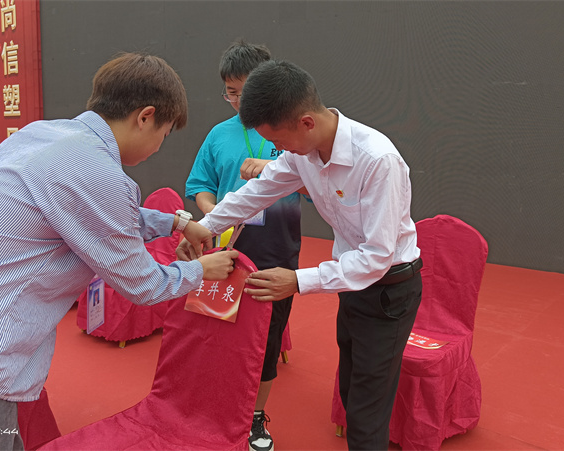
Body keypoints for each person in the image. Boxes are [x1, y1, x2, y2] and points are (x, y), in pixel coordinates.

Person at [0, 52, 237, 451]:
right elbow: (143, 283)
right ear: (145, 116)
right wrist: (202, 270)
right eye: (165, 133)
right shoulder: (95, 169)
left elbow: (95, 214)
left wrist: (175, 223)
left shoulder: (44, 136)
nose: (159, 146)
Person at [177, 59, 422, 450]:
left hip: (389, 290)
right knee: (352, 389)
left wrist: (297, 280)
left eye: (279, 142)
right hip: (351, 284)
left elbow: (377, 257)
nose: (277, 152)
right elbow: (255, 193)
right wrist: (204, 227)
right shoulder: (301, 154)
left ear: (306, 122)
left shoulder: (377, 160)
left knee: (367, 409)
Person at [184, 40, 301, 451]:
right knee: (217, 328)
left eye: (244, 91)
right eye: (230, 92)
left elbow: (317, 182)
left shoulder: (290, 132)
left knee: (265, 339)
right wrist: (213, 212)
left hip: (277, 250)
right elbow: (199, 185)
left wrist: (276, 168)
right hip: (226, 250)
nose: (237, 101)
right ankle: (215, 402)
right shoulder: (218, 135)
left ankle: (254, 417)